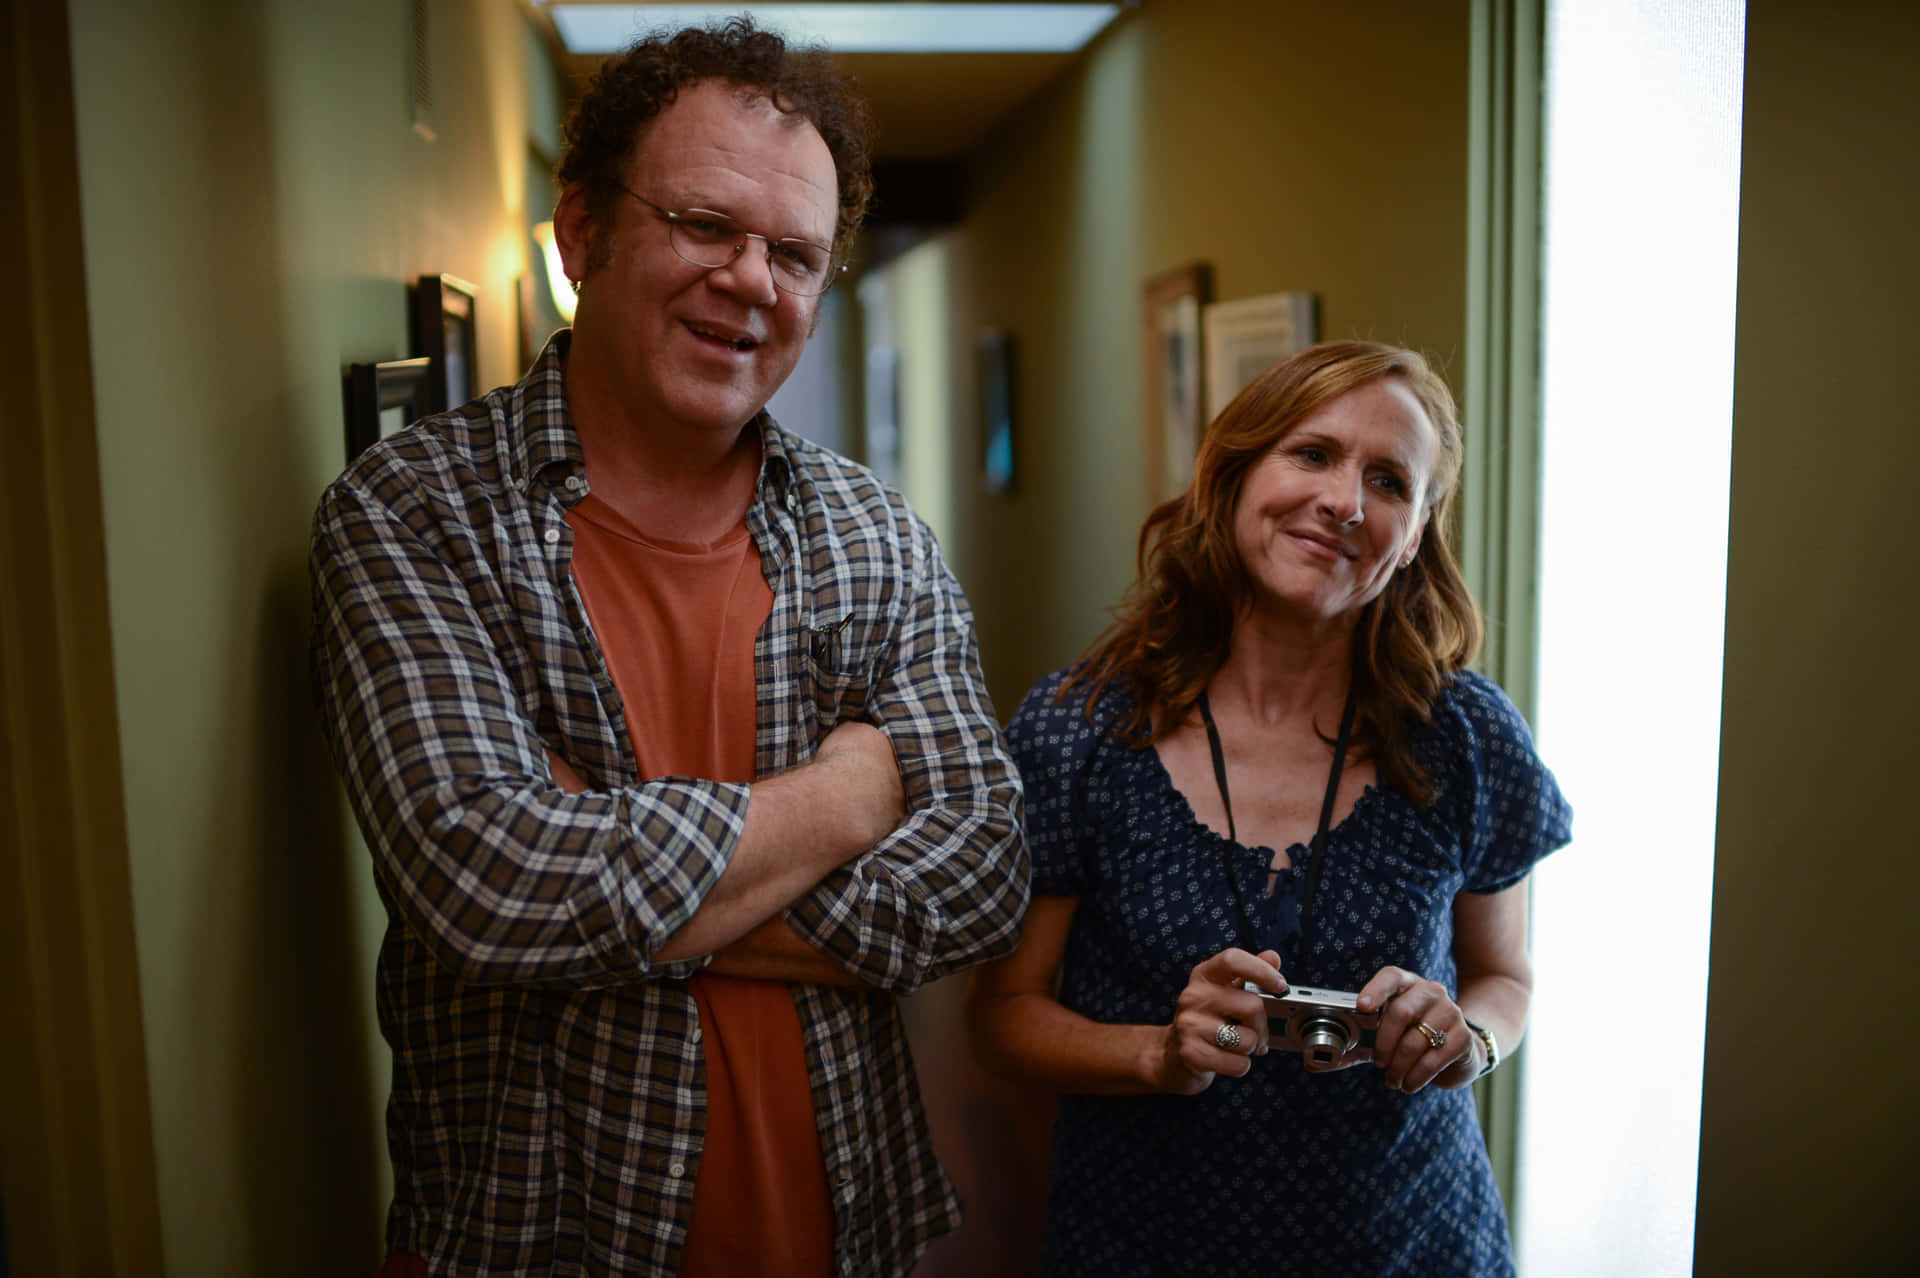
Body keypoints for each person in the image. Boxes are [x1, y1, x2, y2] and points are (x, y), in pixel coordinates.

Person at [308, 19, 1028, 1277]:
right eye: (704, 224)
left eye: (794, 255)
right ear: (583, 233)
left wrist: (607, 848)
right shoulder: (412, 509)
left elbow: (980, 869)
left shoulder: (875, 535)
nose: (750, 279)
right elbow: (490, 885)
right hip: (536, 1236)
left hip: (844, 1229)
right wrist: (855, 790)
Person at [966, 340, 1572, 1276]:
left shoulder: (1465, 738)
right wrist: (1156, 1055)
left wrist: (1469, 1040)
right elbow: (1003, 1013)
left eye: (1389, 481)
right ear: (1235, 474)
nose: (1345, 501)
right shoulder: (1080, 728)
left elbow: (1506, 979)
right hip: (1144, 1246)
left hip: (1415, 1245)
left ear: (1413, 537)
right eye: (1313, 454)